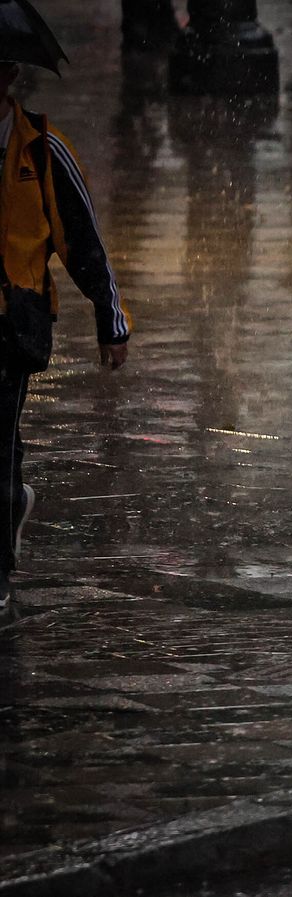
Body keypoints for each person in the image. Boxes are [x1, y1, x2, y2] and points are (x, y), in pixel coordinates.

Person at [0, 60, 131, 637]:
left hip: (11, 323)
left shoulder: (43, 150)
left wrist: (111, 318)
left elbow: (82, 239)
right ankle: (10, 505)